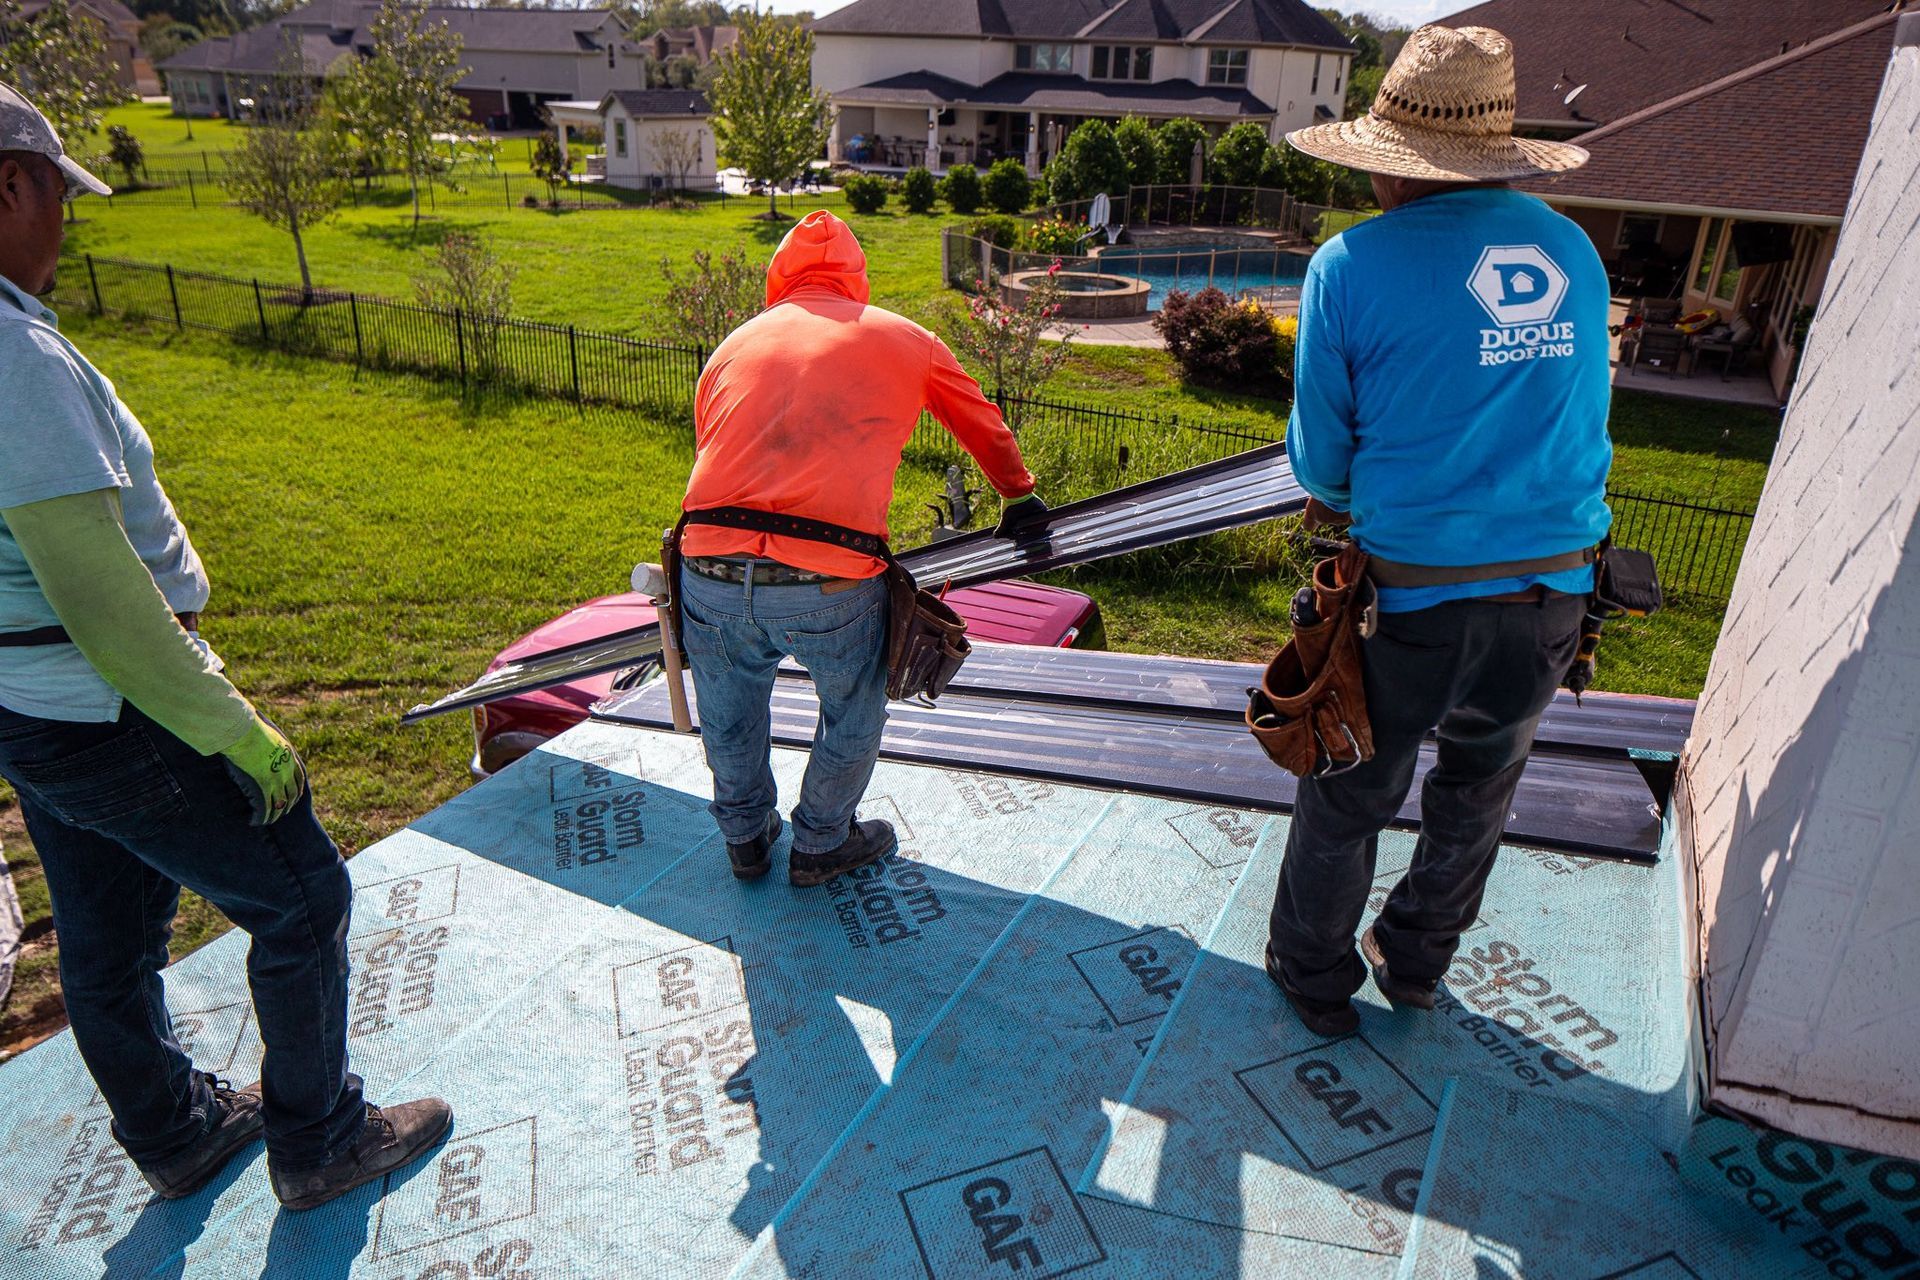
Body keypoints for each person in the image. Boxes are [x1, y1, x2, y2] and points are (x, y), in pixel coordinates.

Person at [0, 83, 450, 1208]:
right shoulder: (15, 360)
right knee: (302, 900)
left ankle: (177, 1130)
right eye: (61, 193)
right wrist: (237, 735)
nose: (69, 221)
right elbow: (106, 607)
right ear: (12, 185)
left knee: (106, 937)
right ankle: (321, 1137)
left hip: (30, 707)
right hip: (110, 703)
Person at [1263, 27, 1612, 1035]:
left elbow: (1321, 465)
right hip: (1555, 589)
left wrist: (1350, 485)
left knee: (1350, 788)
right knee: (1477, 791)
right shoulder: (1572, 249)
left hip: (1413, 602)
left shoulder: (1352, 264)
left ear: (1394, 162)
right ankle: (1414, 961)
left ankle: (1313, 972)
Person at [677, 209, 1044, 887]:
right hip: (832, 576)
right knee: (854, 706)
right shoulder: (906, 339)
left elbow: (712, 443)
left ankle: (745, 838)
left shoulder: (734, 343)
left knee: (728, 710)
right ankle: (821, 841)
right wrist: (1017, 494)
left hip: (710, 566)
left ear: (778, 276)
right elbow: (981, 423)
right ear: (856, 277)